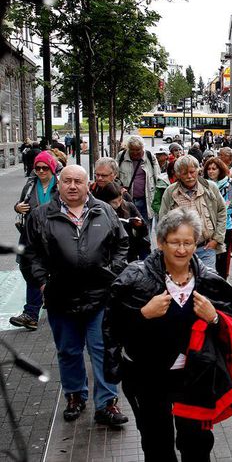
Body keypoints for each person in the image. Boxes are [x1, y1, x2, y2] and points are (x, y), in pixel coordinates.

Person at [104, 208, 232, 461]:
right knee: (156, 442)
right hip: (148, 376)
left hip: (195, 377)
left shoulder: (210, 282)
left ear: (196, 243)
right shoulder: (135, 278)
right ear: (160, 242)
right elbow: (113, 326)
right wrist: (143, 314)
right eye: (175, 242)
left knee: (197, 443)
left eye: (188, 242)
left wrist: (214, 318)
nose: (181, 250)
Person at [22, 165, 130, 425]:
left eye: (78, 181)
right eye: (67, 181)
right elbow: (29, 254)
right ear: (59, 184)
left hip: (100, 296)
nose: (72, 186)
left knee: (102, 350)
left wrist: (112, 273)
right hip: (60, 297)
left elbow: (122, 244)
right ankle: (75, 396)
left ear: (87, 185)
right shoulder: (40, 216)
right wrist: (43, 282)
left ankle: (106, 403)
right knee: (69, 351)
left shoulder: (103, 211)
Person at [9, 151, 59, 331]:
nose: (40, 171)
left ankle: (54, 306)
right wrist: (17, 207)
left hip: (55, 237)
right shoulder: (30, 186)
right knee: (32, 271)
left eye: (45, 167)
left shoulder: (60, 185)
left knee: (56, 272)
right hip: (32, 237)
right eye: (37, 168)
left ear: (52, 168)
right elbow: (21, 204)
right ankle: (30, 314)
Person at [159, 155, 227, 271]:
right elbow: (163, 220)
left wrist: (216, 239)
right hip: (180, 250)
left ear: (198, 170)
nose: (189, 176)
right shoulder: (170, 192)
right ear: (178, 174)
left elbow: (221, 211)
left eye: (192, 172)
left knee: (206, 284)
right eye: (185, 173)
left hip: (205, 248)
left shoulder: (210, 188)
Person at [94, 181, 150, 262]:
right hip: (109, 251)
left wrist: (139, 225)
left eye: (120, 200)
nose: (118, 204)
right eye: (114, 202)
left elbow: (144, 231)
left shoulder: (129, 206)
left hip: (129, 250)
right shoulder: (101, 210)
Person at [204, 157, 232, 279]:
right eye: (208, 169)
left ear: (220, 170)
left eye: (214, 169)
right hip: (206, 227)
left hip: (225, 226)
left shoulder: (229, 185)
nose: (211, 171)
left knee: (222, 259)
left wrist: (215, 211)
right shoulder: (202, 185)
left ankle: (222, 281)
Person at [116, 135, 161, 227]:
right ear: (128, 148)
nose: (135, 153)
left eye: (138, 150)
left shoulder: (149, 157)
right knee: (127, 228)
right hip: (127, 200)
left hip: (146, 200)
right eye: (132, 150)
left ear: (142, 148)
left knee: (145, 228)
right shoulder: (121, 156)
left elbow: (158, 178)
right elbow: (115, 176)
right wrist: (119, 188)